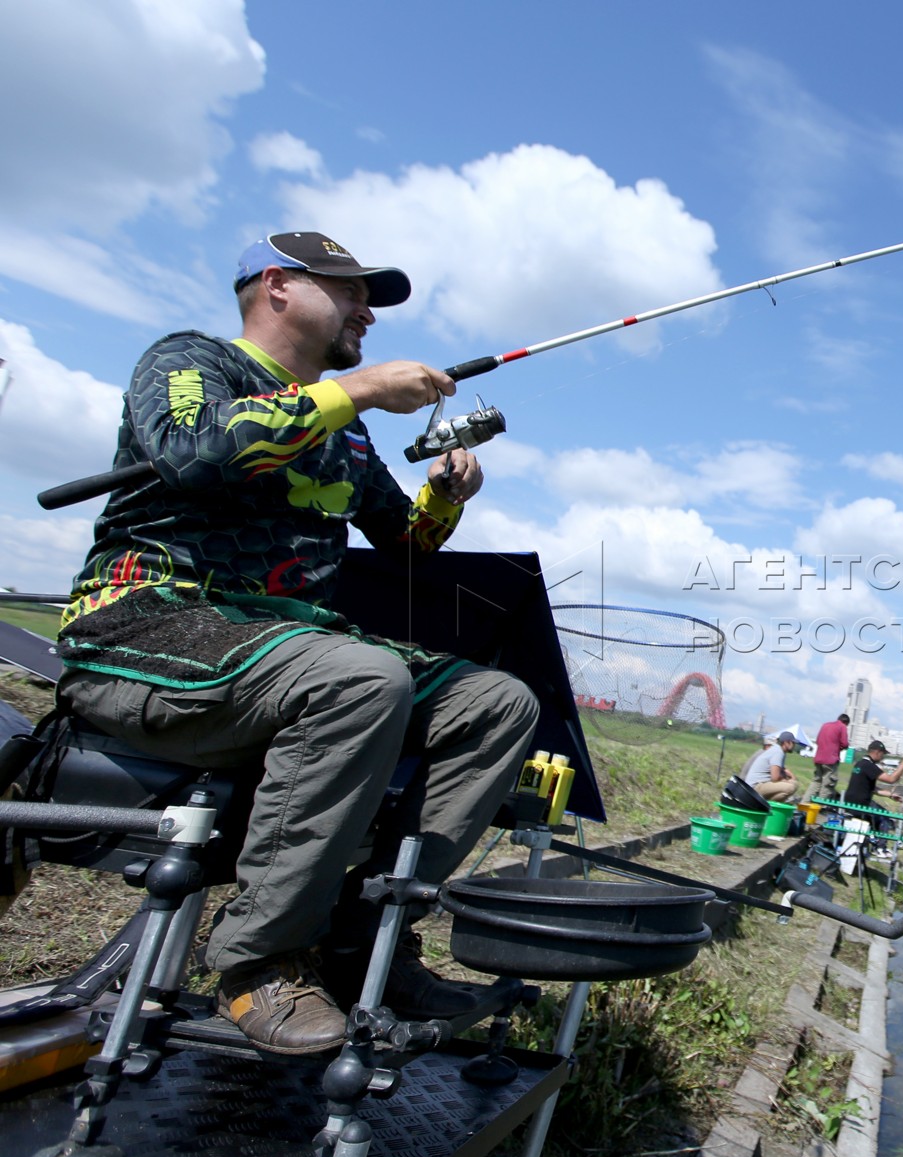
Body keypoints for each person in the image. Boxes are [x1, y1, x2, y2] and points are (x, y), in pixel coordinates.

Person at [54, 232, 540, 1055]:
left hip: (278, 646)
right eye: (350, 291)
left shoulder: (345, 432)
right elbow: (195, 452)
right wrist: (356, 390)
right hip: (147, 622)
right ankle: (260, 963)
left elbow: (406, 543)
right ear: (276, 285)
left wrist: (445, 495)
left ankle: (363, 940)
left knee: (497, 703)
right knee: (363, 679)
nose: (367, 312)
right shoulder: (189, 360)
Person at [744, 728, 804, 804]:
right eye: (793, 743)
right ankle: (768, 806)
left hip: (759, 784)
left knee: (793, 783)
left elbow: (780, 772)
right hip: (755, 786)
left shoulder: (778, 750)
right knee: (791, 787)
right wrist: (786, 780)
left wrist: (788, 777)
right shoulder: (778, 752)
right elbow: (775, 777)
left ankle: (767, 804)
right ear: (786, 743)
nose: (794, 745)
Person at [807, 713, 850, 801]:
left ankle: (804, 804)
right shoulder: (842, 727)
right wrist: (839, 748)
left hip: (819, 758)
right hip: (830, 760)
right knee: (828, 784)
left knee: (816, 782)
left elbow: (818, 740)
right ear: (846, 722)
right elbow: (845, 744)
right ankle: (819, 807)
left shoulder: (825, 725)